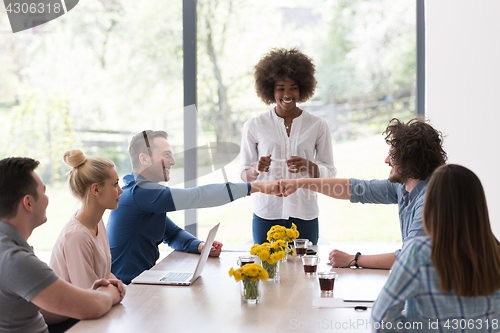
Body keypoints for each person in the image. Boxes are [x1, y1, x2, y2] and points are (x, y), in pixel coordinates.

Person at [107, 130, 280, 284]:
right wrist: (259, 187)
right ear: (144, 158)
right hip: (128, 289)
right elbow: (197, 196)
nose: (173, 161)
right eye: (166, 154)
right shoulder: (140, 193)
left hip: (143, 282)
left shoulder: (143, 195)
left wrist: (200, 246)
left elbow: (172, 234)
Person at [279, 117, 447, 269]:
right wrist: (300, 183)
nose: (387, 160)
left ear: (410, 160)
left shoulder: (429, 202)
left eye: (393, 155)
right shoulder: (403, 187)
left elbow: (408, 259)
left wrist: (354, 259)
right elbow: (357, 189)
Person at [0, 157, 124, 333]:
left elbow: (40, 307)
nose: (48, 199)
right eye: (43, 191)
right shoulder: (14, 259)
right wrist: (111, 292)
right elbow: (93, 306)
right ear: (28, 202)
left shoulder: (8, 248)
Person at [371, 164, 500, 332]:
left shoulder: (418, 253)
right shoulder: (495, 254)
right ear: (479, 205)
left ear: (431, 206)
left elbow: (381, 322)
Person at [239, 47, 336, 245]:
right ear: (270, 90)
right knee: (267, 270)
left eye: (293, 87)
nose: (287, 94)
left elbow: (330, 172)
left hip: (305, 212)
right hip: (267, 212)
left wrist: (310, 166)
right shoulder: (254, 125)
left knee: (305, 270)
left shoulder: (318, 125)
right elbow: (244, 176)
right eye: (280, 88)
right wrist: (257, 169)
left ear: (302, 88)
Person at [50, 150, 125, 293]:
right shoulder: (76, 236)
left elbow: (103, 275)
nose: (120, 190)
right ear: (96, 189)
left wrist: (119, 286)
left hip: (97, 305)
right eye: (115, 184)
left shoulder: (97, 222)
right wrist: (115, 289)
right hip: (75, 313)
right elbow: (89, 295)